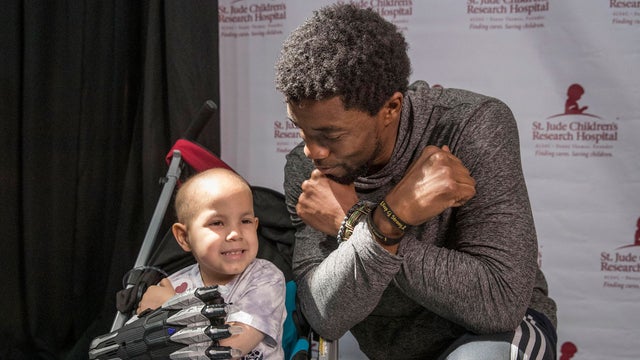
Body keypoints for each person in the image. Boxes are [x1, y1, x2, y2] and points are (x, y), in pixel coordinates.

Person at [275, 4, 557, 360]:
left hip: (495, 334)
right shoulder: (309, 170)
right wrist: (383, 220)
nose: (312, 150)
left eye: (330, 134)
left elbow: (498, 302)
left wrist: (358, 224)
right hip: (389, 346)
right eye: (300, 129)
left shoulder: (470, 126)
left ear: (391, 108)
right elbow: (325, 317)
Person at [136, 167, 286, 359]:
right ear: (183, 237)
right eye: (217, 223)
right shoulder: (174, 285)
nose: (235, 234)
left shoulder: (266, 278)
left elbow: (229, 349)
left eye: (245, 221)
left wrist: (171, 309)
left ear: (256, 226)